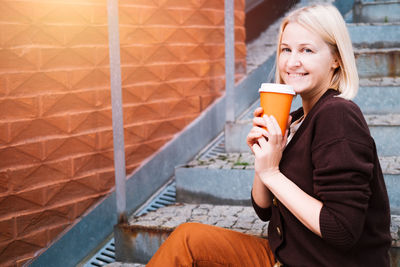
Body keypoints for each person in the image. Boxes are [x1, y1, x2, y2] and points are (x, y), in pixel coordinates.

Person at [146, 4, 392, 267]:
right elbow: (263, 210)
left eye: (306, 50)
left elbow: (342, 230)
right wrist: (265, 156)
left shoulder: (338, 116)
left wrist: (273, 172)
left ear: (336, 59)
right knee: (188, 241)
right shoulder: (298, 118)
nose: (291, 61)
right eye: (286, 49)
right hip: (287, 255)